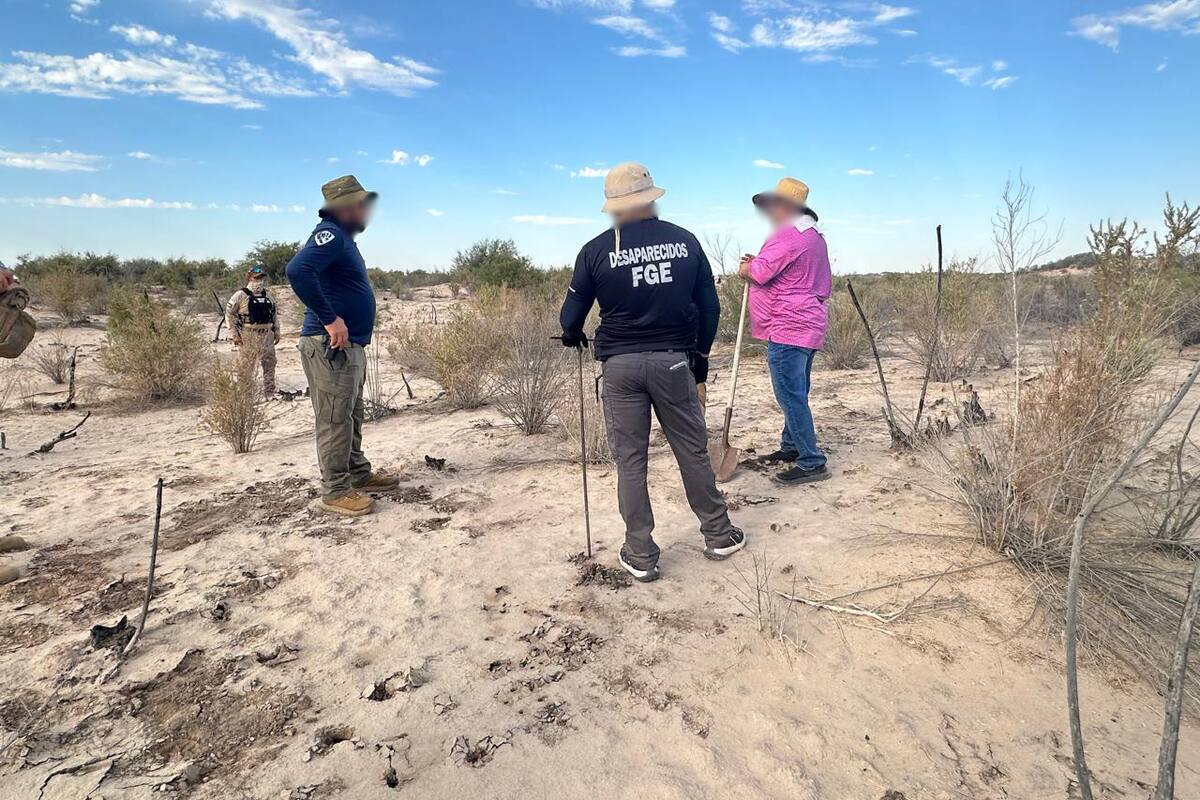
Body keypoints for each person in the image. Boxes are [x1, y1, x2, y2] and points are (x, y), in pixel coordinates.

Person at [559, 162, 745, 583]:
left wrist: (573, 335)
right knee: (692, 452)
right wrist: (699, 360)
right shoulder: (684, 241)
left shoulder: (595, 250)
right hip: (674, 360)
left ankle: (640, 553)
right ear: (651, 198)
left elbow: (570, 316)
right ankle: (718, 534)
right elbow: (710, 310)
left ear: (613, 206)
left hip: (620, 368)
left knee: (630, 461)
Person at [285, 175, 399, 516]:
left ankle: (357, 474)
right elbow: (298, 270)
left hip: (348, 347)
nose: (366, 210)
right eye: (361, 204)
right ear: (345, 207)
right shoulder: (330, 236)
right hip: (329, 345)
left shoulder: (343, 239)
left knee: (350, 412)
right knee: (335, 417)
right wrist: (330, 319)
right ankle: (335, 491)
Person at [738, 177, 832, 485]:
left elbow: (761, 273)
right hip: (808, 324)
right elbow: (780, 268)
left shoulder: (789, 236)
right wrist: (760, 262)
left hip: (788, 325)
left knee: (790, 395)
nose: (771, 211)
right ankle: (791, 448)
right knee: (797, 390)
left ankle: (812, 460)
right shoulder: (813, 236)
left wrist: (746, 269)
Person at [225, 265, 279, 399]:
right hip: (248, 334)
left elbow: (274, 314)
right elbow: (229, 314)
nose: (259, 280)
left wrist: (277, 331)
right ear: (249, 278)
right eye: (256, 278)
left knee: (270, 362)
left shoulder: (268, 295)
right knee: (246, 365)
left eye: (261, 278)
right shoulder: (240, 295)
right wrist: (234, 335)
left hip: (267, 333)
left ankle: (269, 391)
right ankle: (246, 394)